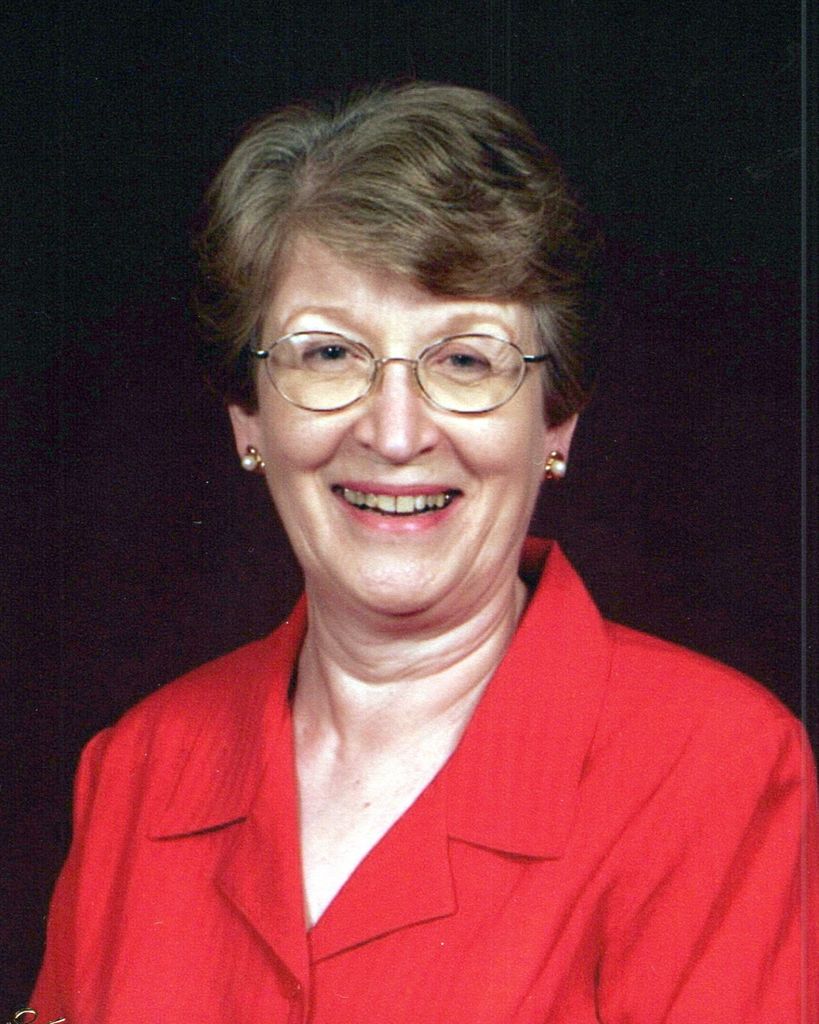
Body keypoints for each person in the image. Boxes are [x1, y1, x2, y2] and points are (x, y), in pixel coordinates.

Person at [29, 82, 816, 1023]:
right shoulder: (135, 771)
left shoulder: (712, 769)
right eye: (328, 355)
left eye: (465, 360)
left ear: (555, 420)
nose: (395, 433)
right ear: (249, 414)